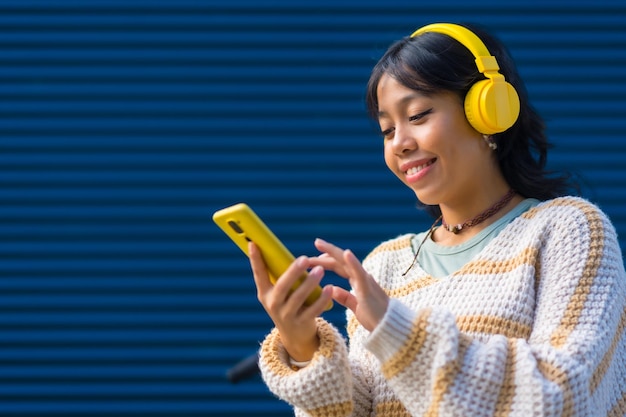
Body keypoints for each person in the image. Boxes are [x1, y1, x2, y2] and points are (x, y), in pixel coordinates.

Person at [248, 22, 626, 416]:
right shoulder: (384, 266)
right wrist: (304, 347)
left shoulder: (569, 231)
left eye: (419, 115)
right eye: (387, 129)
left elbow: (563, 397)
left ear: (488, 112)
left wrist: (399, 333)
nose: (400, 143)